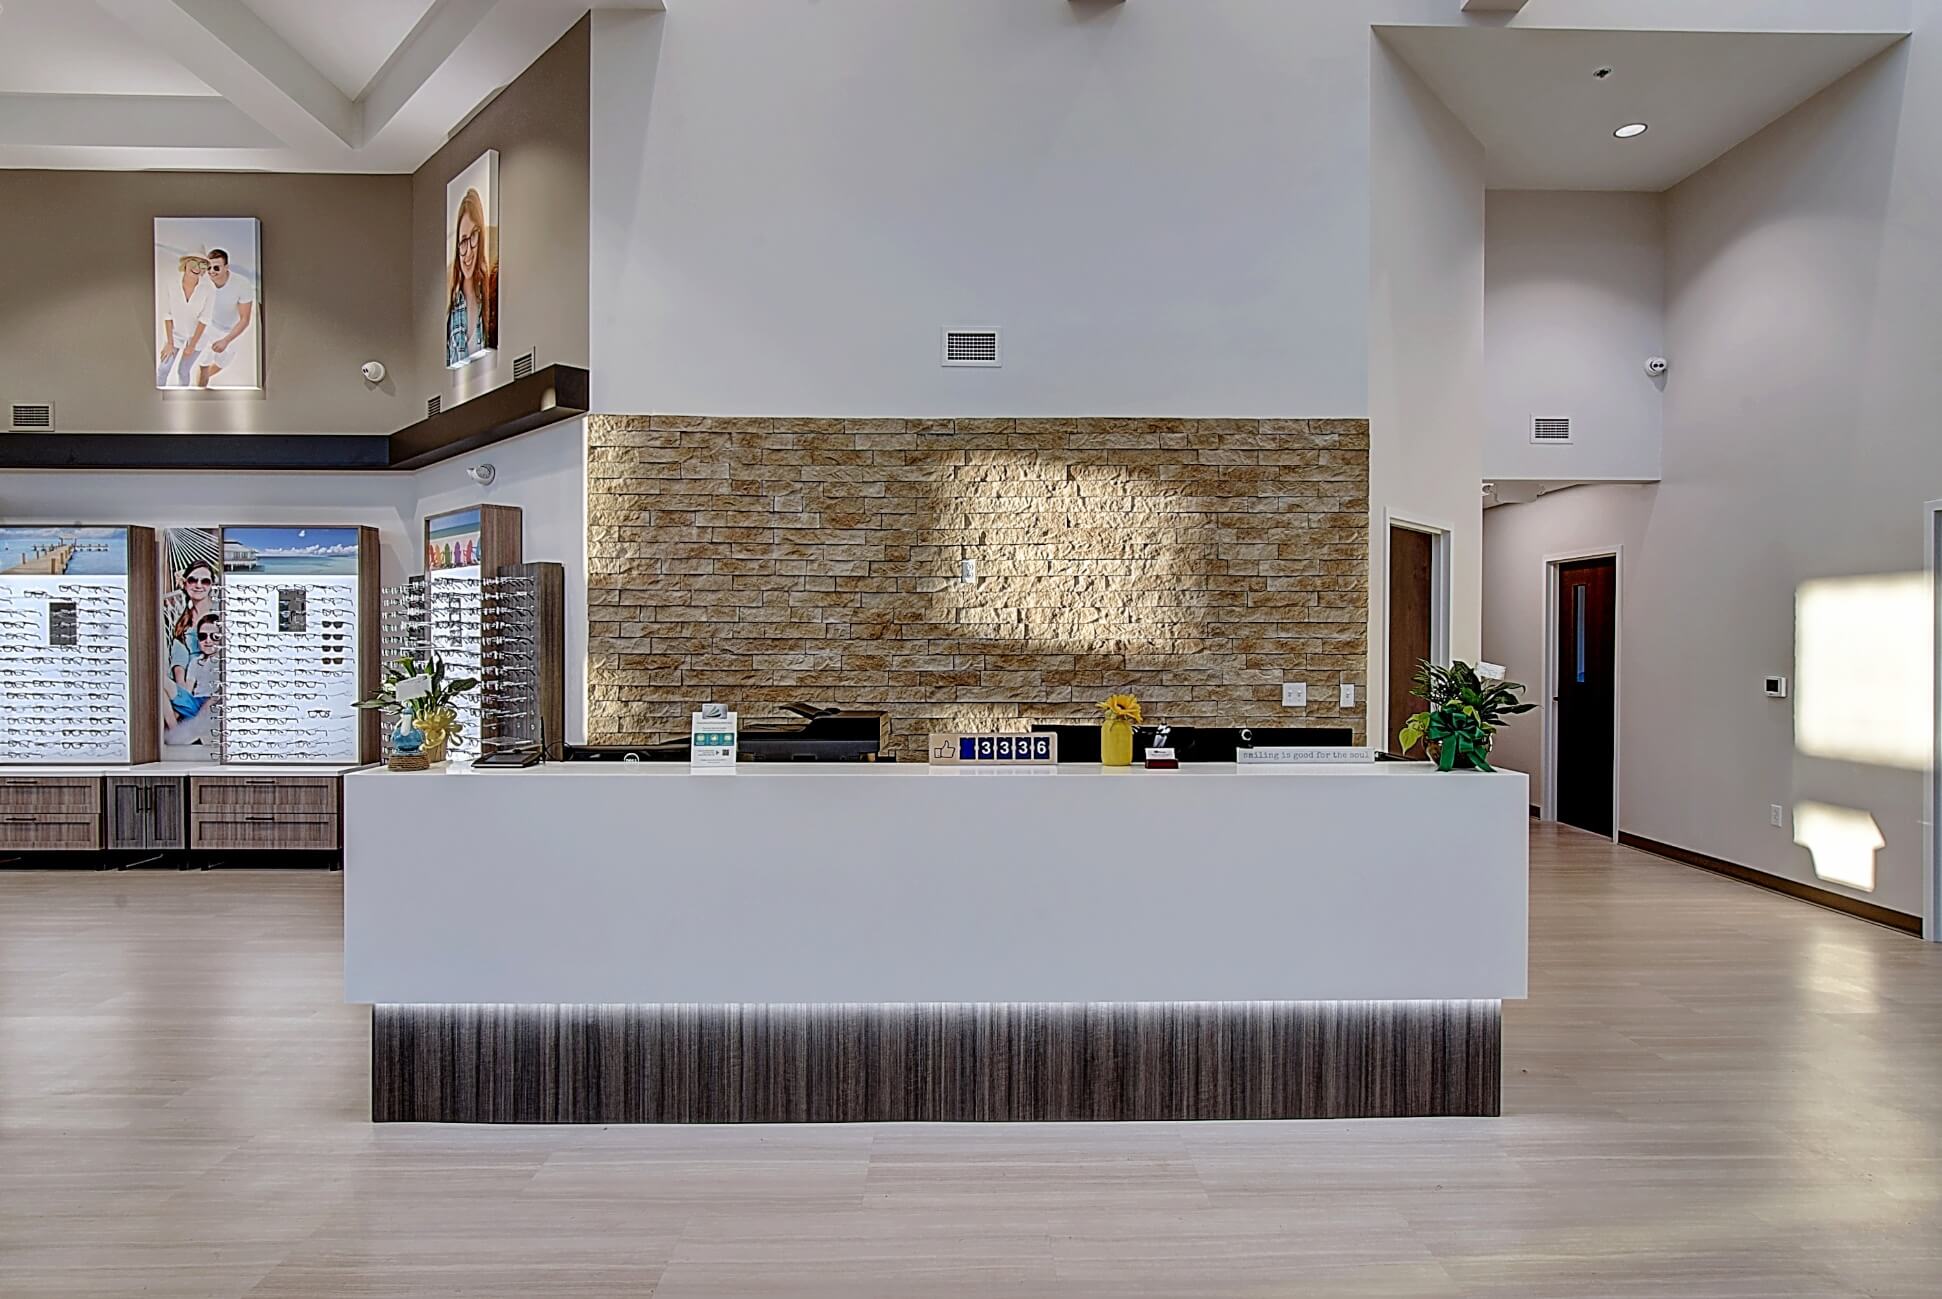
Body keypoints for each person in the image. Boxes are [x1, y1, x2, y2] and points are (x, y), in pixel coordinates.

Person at [445, 188, 493, 366]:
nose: (468, 252)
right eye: (463, 241)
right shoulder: (452, 308)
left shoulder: (490, 299)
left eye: (473, 237)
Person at [194, 249, 255, 388]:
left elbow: (245, 319)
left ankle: (202, 379)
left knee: (222, 364)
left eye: (216, 267)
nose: (211, 271)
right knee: (203, 363)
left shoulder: (241, 284)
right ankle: (199, 392)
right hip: (209, 326)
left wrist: (226, 340)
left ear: (226, 267)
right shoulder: (203, 281)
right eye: (209, 267)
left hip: (231, 332)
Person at [158, 252, 213, 387]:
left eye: (202, 264)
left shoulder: (208, 289)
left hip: (197, 338)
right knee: (163, 369)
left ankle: (182, 401)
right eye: (194, 262)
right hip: (175, 335)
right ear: (186, 263)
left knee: (183, 371)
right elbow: (167, 314)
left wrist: (192, 345)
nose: (197, 268)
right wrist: (170, 342)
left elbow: (204, 319)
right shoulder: (171, 284)